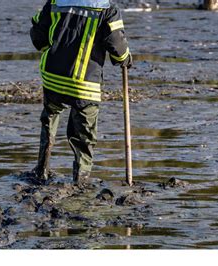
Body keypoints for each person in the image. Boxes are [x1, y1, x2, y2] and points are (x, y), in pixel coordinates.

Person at [29, 0, 132, 185]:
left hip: (52, 76)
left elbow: (38, 32)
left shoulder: (56, 1)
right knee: (84, 136)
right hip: (85, 83)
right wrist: (124, 59)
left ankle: (41, 171)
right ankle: (80, 182)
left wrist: (51, 51)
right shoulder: (107, 9)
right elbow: (116, 43)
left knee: (49, 120)